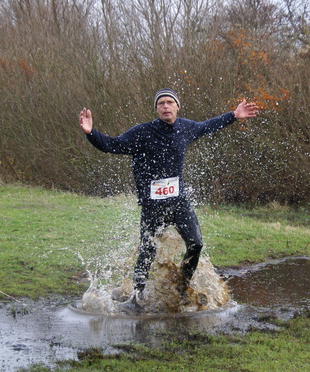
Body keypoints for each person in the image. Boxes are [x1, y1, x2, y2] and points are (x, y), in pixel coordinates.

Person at [79, 88, 258, 308]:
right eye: (161, 103)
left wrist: (233, 115)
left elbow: (208, 126)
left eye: (169, 102)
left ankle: (182, 287)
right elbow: (112, 145)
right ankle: (137, 296)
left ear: (177, 106)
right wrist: (91, 133)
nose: (165, 106)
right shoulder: (142, 133)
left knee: (196, 244)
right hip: (152, 205)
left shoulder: (186, 128)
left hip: (178, 202)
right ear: (156, 109)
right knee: (148, 250)